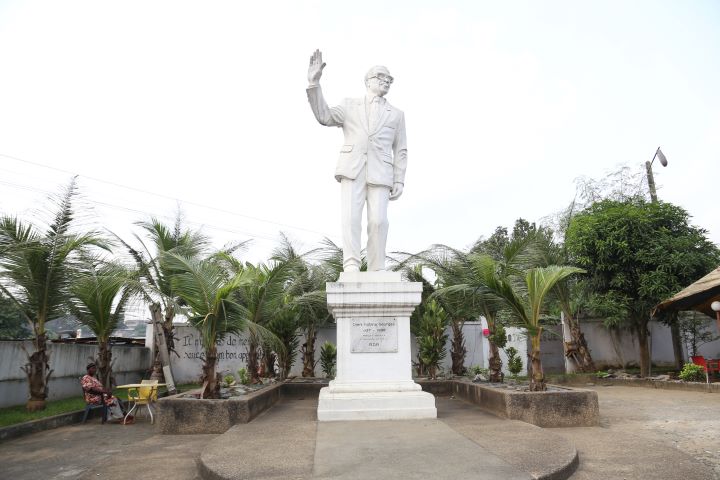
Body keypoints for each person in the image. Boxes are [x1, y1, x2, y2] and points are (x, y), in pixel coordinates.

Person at [306, 49, 408, 272]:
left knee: (379, 221)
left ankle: (376, 267)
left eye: (389, 79)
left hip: (381, 171)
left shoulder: (397, 114)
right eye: (381, 77)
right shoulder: (350, 105)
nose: (386, 82)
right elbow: (325, 116)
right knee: (351, 218)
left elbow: (400, 149)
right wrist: (314, 85)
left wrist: (399, 180)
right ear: (368, 81)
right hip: (352, 167)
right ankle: (351, 263)